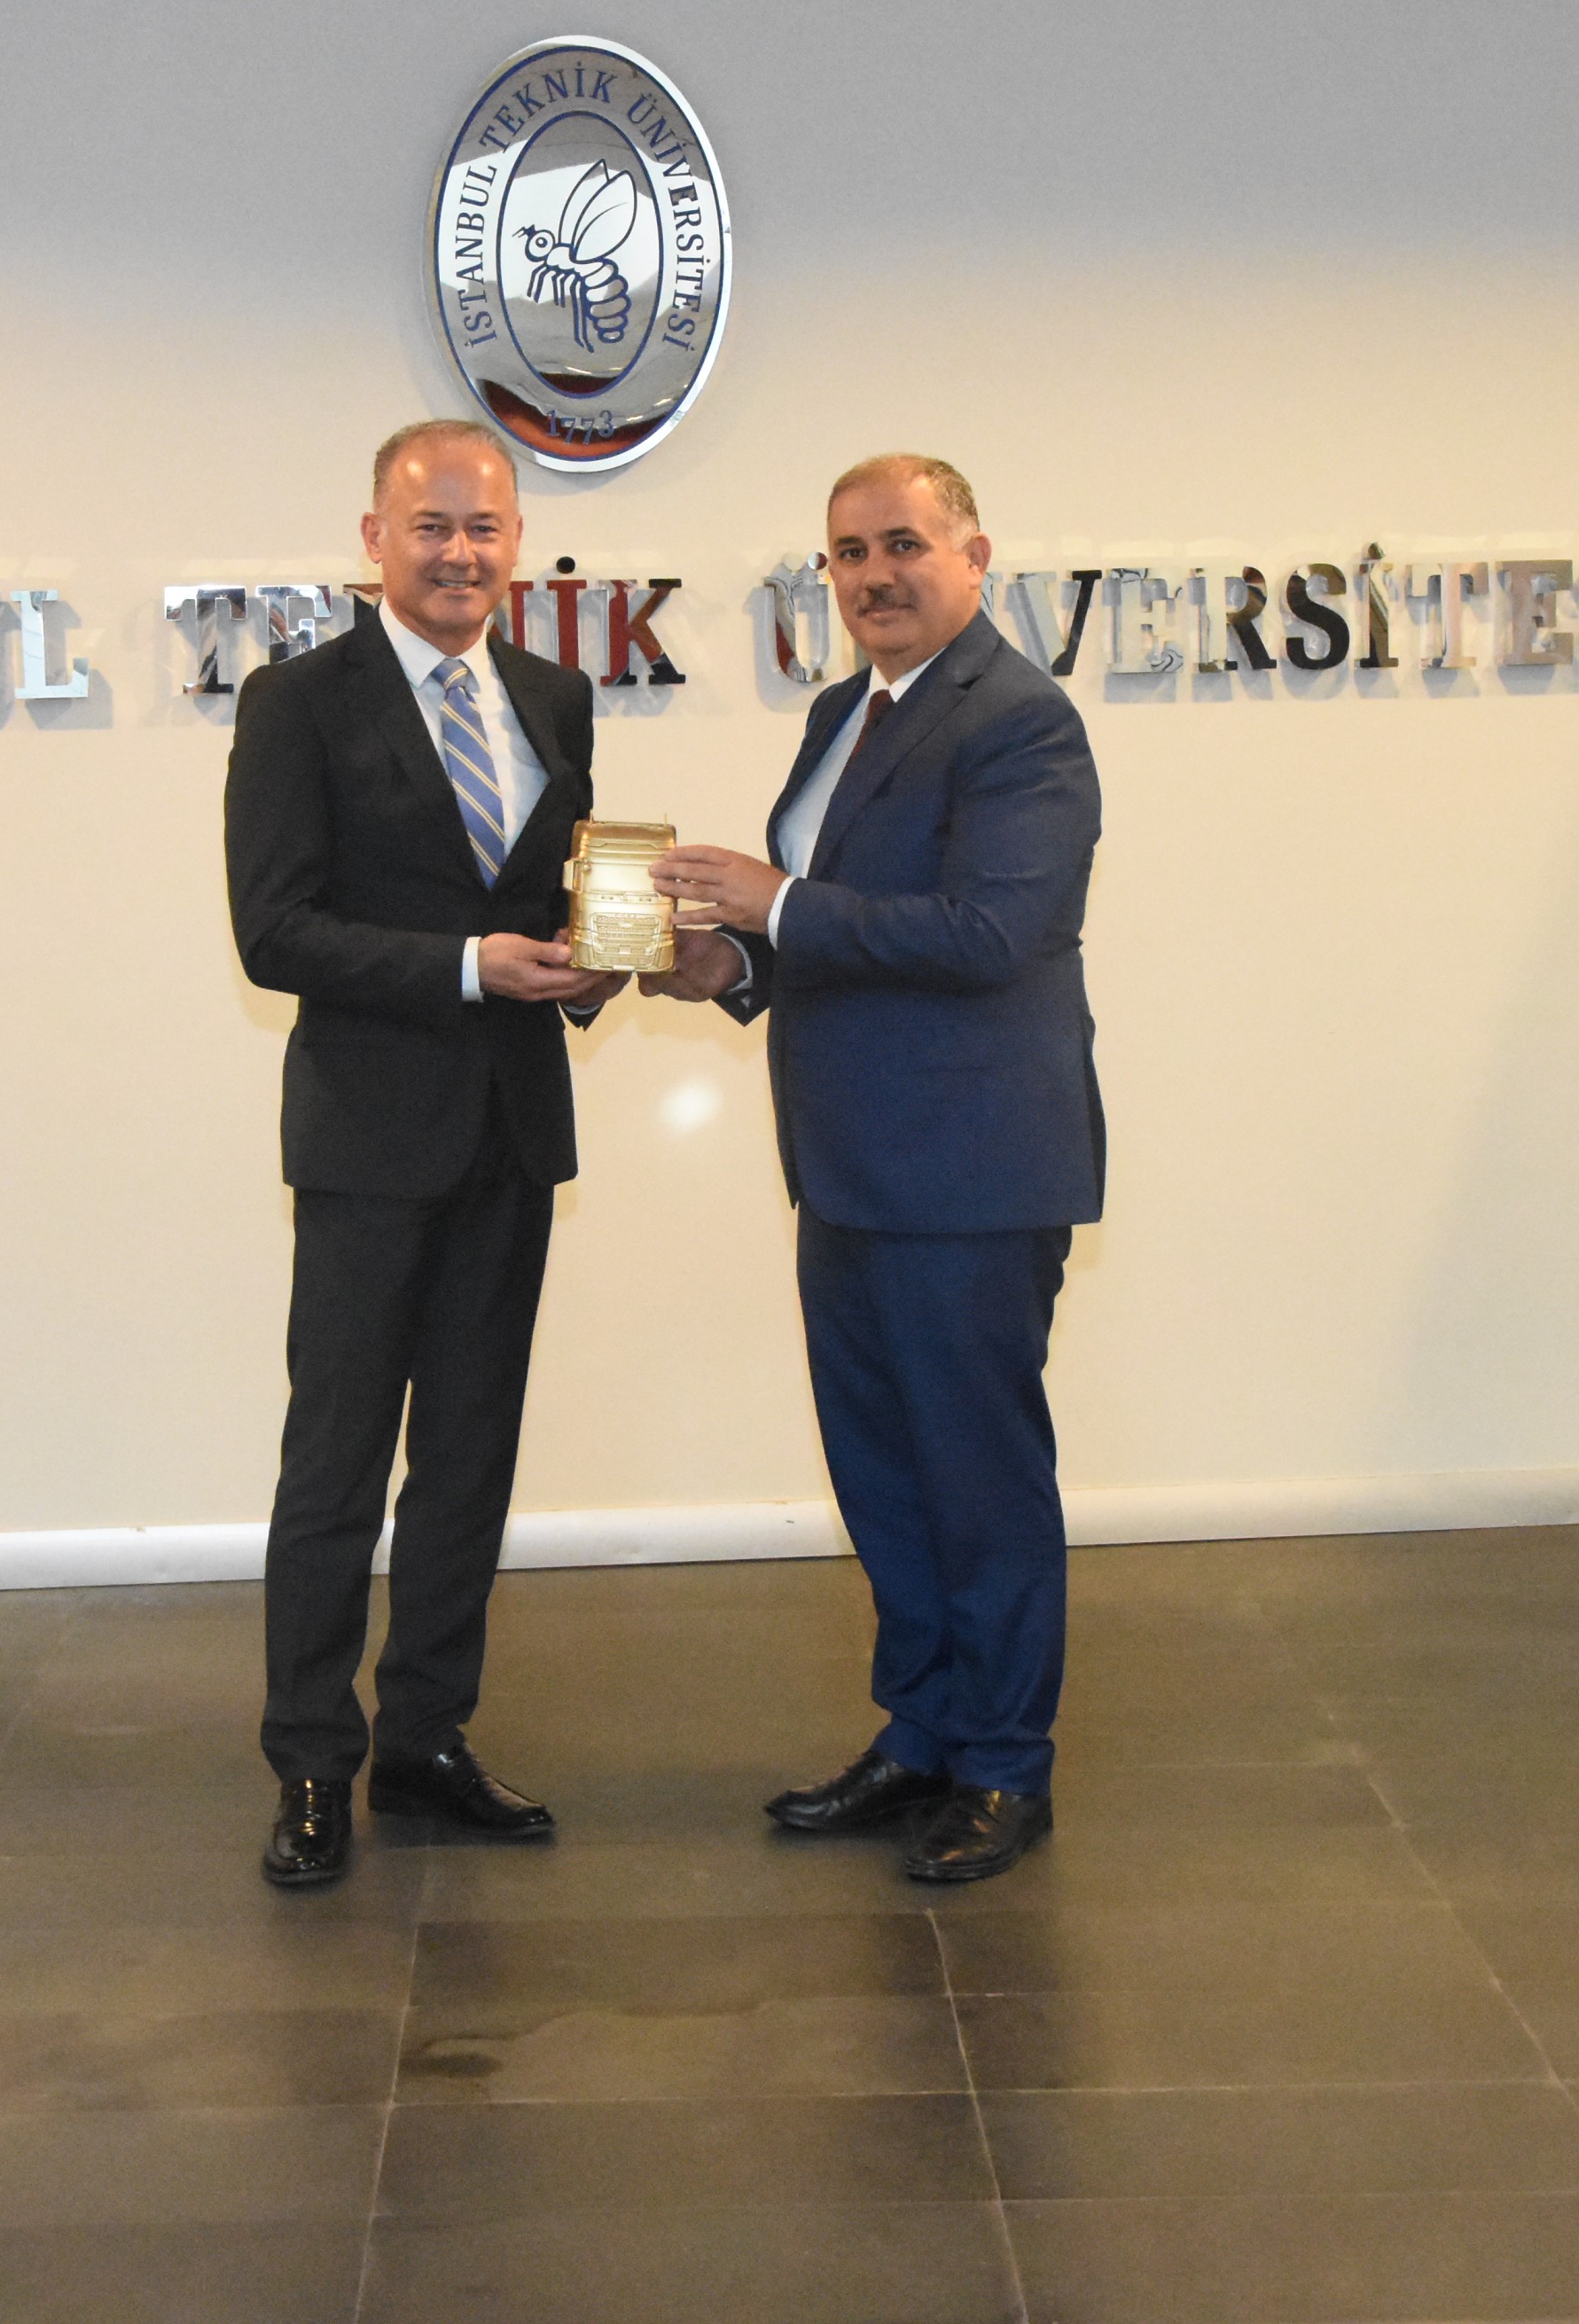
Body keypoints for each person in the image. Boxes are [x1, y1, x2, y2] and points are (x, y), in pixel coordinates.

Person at [645, 454, 1104, 1883]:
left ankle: (1006, 1766)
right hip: (849, 1168)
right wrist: (729, 966)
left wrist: (773, 901)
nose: (873, 575)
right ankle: (922, 1734)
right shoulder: (846, 713)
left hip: (971, 1174)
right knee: (886, 1473)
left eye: (903, 543)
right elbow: (836, 937)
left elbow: (988, 936)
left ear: (976, 554)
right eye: (847, 553)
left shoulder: (1023, 721)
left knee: (979, 1481)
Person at [223, 419, 621, 1888]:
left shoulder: (555, 697)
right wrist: (467, 967)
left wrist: (596, 962)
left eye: (485, 527)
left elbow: (562, 895)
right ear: (375, 539)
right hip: (368, 1144)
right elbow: (275, 931)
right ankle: (310, 1763)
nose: (460, 552)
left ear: (517, 543)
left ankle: (427, 1740)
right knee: (334, 1465)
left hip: (511, 1138)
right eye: (432, 525)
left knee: (468, 1463)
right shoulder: (296, 702)